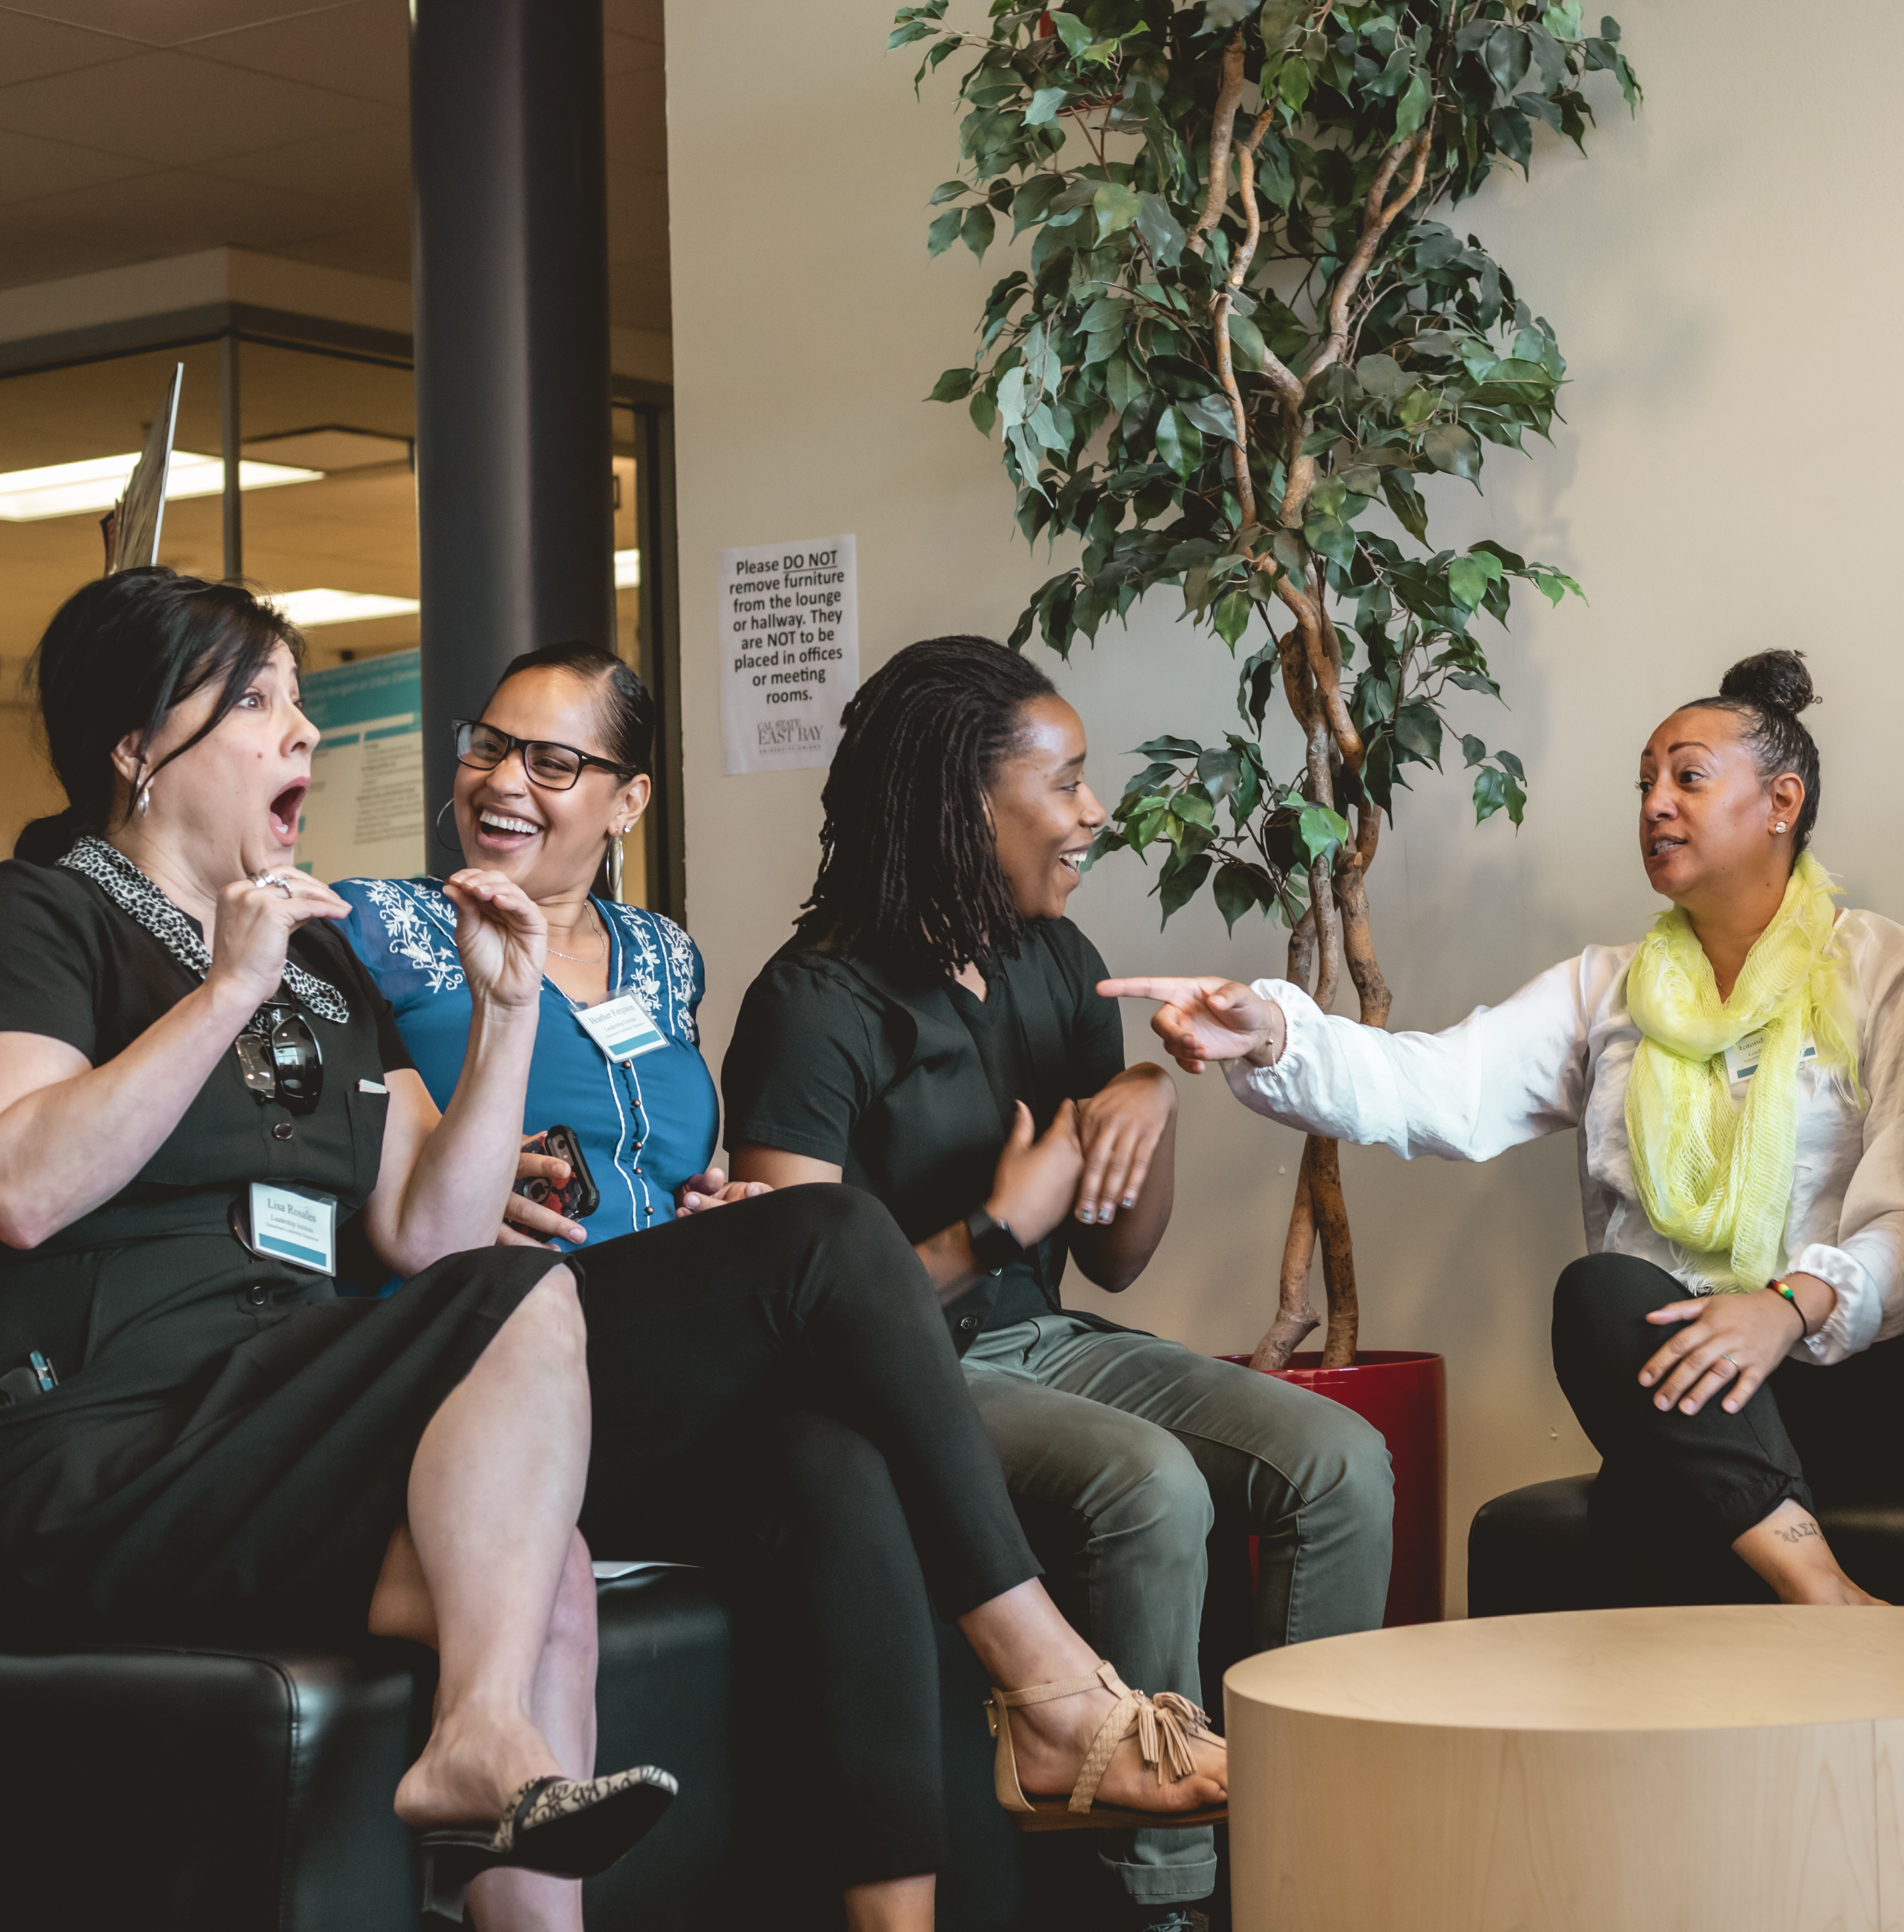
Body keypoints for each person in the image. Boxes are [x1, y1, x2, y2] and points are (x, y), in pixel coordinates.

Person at [0, 572, 1224, 1932]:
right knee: (815, 1237)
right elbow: (22, 1187)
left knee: (633, 1549)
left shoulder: (318, 962)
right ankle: (1053, 1692)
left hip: (298, 1407)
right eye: (260, 705)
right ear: (134, 749)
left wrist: (510, 1010)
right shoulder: (44, 917)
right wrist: (224, 987)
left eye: (302, 702)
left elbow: (435, 1232)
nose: (306, 736)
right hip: (118, 1434)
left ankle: (562, 1798)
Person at [719, 633, 1387, 1932]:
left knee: (1339, 1462)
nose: (1095, 813)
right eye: (1066, 782)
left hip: (1044, 1342)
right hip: (901, 1377)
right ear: (962, 806)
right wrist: (987, 1226)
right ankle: (1167, 1905)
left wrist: (1151, 1097)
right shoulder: (814, 1005)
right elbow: (792, 1314)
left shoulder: (1059, 964)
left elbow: (1117, 1258)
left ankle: (1314, 1860)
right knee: (1143, 1486)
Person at [1109, 650, 1904, 1609]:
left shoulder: (1890, 968)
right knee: (1602, 1297)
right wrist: (1273, 1032)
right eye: (1643, 783)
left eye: (1686, 776)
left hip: (1842, 1375)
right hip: (1669, 1381)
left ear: (1780, 801)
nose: (1653, 805)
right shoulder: (1606, 987)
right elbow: (1443, 1085)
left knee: (1650, 1490)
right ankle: (1823, 1592)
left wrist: (1786, 1307)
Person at [334, 642, 722, 1254]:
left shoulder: (664, 951)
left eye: (551, 762)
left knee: (815, 1230)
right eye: (489, 747)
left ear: (628, 802)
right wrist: (464, 1187)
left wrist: (710, 1204)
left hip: (664, 1296)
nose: (503, 780)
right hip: (497, 1303)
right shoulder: (377, 922)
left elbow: (666, 1169)